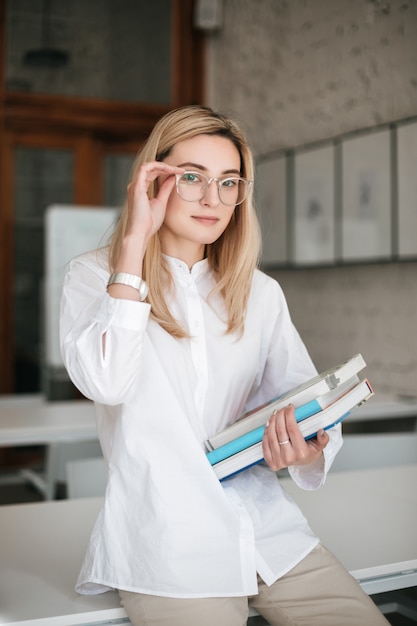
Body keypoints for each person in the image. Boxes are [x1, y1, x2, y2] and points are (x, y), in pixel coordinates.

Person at [60, 105, 388, 626]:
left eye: (228, 181)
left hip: (269, 535)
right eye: (192, 178)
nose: (213, 199)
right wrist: (131, 248)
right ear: (154, 180)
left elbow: (302, 400)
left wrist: (306, 450)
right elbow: (105, 381)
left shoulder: (259, 292)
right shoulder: (93, 276)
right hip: (168, 548)